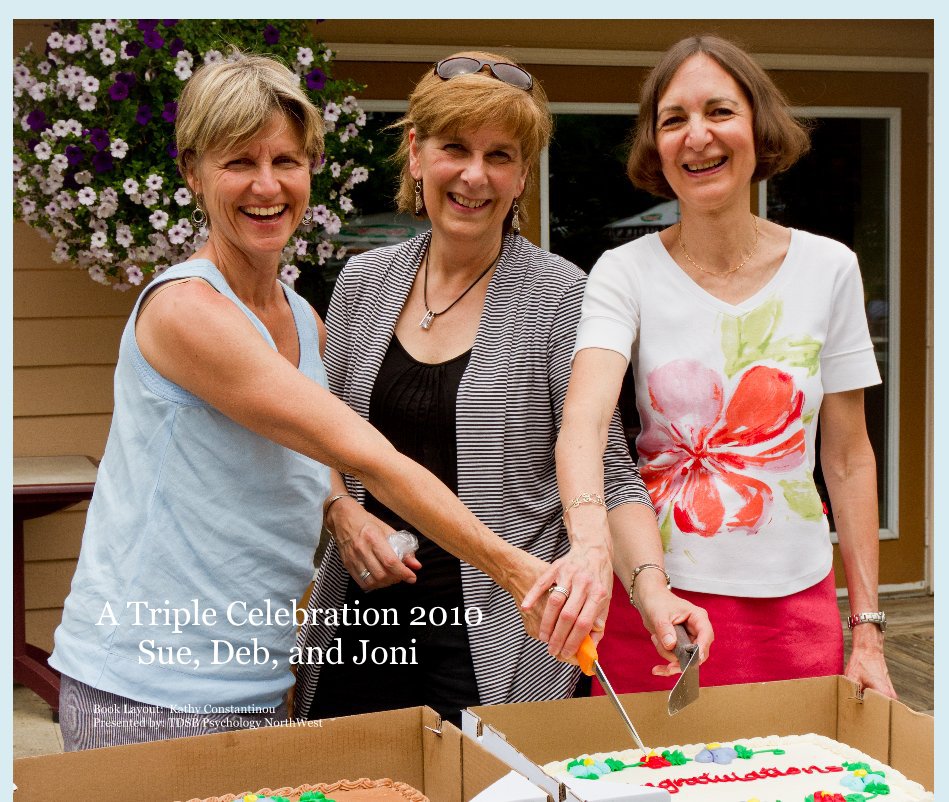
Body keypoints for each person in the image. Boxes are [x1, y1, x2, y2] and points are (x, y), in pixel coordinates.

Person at [48, 53, 595, 752]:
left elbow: (306, 451)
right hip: (147, 688)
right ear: (192, 173)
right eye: (239, 162)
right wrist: (516, 569)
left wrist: (338, 508)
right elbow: (363, 451)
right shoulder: (186, 310)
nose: (267, 186)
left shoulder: (303, 320)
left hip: (254, 682)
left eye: (286, 160)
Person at [294, 51, 712, 727]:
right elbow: (322, 436)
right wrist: (341, 511)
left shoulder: (562, 295)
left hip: (503, 630)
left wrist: (649, 586)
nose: (473, 175)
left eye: (499, 156)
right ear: (415, 153)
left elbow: (605, 468)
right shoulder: (362, 282)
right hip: (362, 623)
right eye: (454, 148)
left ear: (521, 176)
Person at [556, 34, 896, 698]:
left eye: (718, 112)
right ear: (654, 147)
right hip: (656, 612)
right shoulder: (623, 272)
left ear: (757, 128)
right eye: (673, 119)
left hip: (794, 610)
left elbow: (849, 457)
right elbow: (583, 423)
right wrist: (591, 544)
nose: (696, 136)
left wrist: (870, 634)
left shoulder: (829, 269)